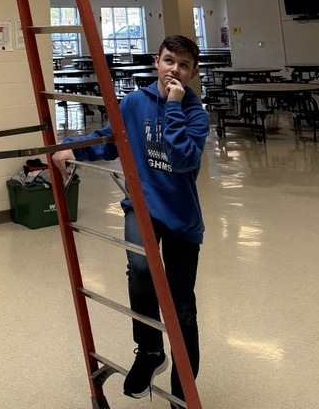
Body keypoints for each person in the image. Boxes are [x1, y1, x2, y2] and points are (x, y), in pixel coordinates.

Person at [52, 35, 209, 405]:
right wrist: (73, 146)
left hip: (182, 219)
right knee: (139, 269)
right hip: (141, 207)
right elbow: (110, 140)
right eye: (170, 60)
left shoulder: (196, 114)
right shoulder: (134, 103)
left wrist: (174, 105)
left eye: (184, 65)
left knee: (182, 305)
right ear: (157, 61)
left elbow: (184, 157)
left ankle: (183, 388)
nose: (175, 70)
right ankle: (150, 349)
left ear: (193, 73)